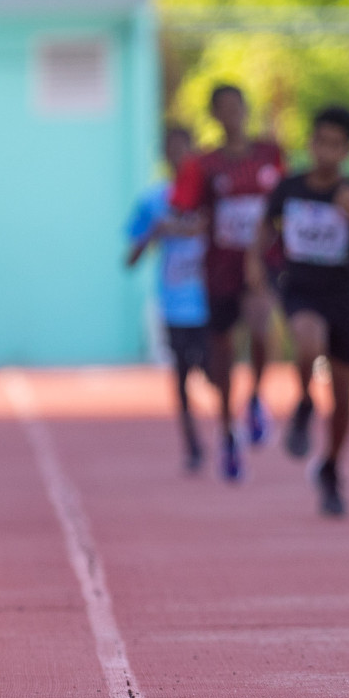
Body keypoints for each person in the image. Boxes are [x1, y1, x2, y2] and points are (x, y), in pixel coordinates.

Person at [255, 105, 349, 515]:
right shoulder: (289, 189)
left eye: (336, 145)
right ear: (310, 143)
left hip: (341, 298)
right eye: (320, 142)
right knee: (306, 340)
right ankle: (303, 402)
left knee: (344, 396)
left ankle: (331, 467)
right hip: (299, 289)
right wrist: (256, 267)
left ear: (347, 150)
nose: (326, 152)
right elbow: (264, 228)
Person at [171, 83, 286, 482]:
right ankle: (226, 432)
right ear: (215, 115)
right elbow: (187, 210)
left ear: (246, 110)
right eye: (223, 109)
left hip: (262, 263)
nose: (231, 114)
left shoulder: (270, 154)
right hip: (219, 267)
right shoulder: (204, 165)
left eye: (237, 106)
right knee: (221, 351)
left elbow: (286, 203)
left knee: (261, 324)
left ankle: (254, 398)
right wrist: (175, 225)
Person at [125, 125, 210, 473]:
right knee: (181, 375)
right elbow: (130, 258)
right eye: (170, 148)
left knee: (215, 372)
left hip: (209, 299)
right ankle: (192, 445)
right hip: (175, 303)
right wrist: (152, 234)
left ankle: (231, 429)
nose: (177, 155)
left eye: (183, 148)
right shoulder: (151, 201)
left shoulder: (209, 194)